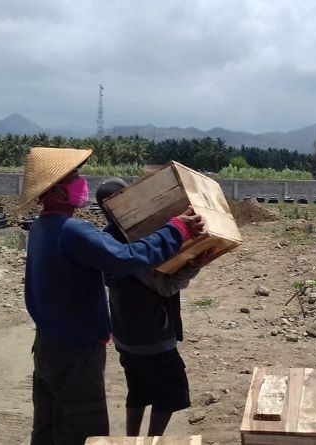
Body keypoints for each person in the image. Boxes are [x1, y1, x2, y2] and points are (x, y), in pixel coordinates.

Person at [19, 147, 204, 445]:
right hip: (76, 351)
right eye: (75, 178)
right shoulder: (72, 231)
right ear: (55, 190)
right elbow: (126, 257)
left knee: (49, 425)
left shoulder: (42, 227)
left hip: (47, 345)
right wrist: (177, 229)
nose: (81, 184)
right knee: (84, 429)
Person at [95, 178, 213, 436]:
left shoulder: (107, 239)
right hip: (150, 337)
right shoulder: (132, 245)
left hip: (125, 335)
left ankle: (131, 440)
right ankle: (151, 441)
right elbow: (166, 287)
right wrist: (194, 265)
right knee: (171, 393)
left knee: (138, 390)